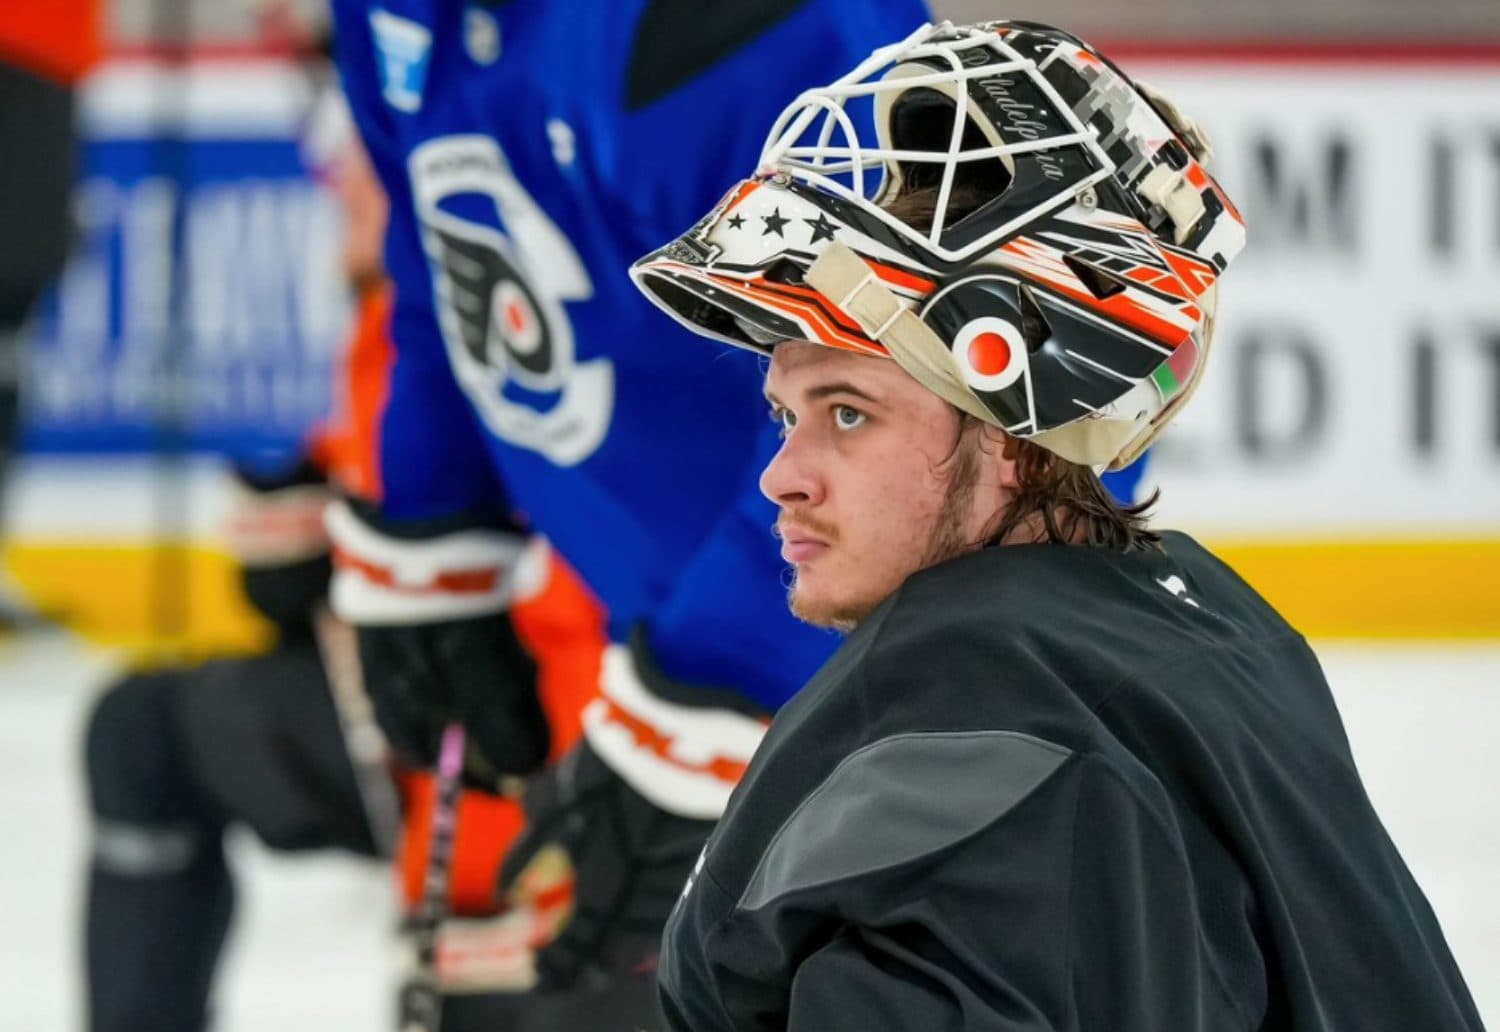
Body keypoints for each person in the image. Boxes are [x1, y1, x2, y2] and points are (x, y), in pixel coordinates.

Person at [629, 20, 1485, 1030]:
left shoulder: (950, 717)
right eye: (787, 413)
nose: (782, 476)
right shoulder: (1217, 625)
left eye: (848, 413)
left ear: (1009, 434)